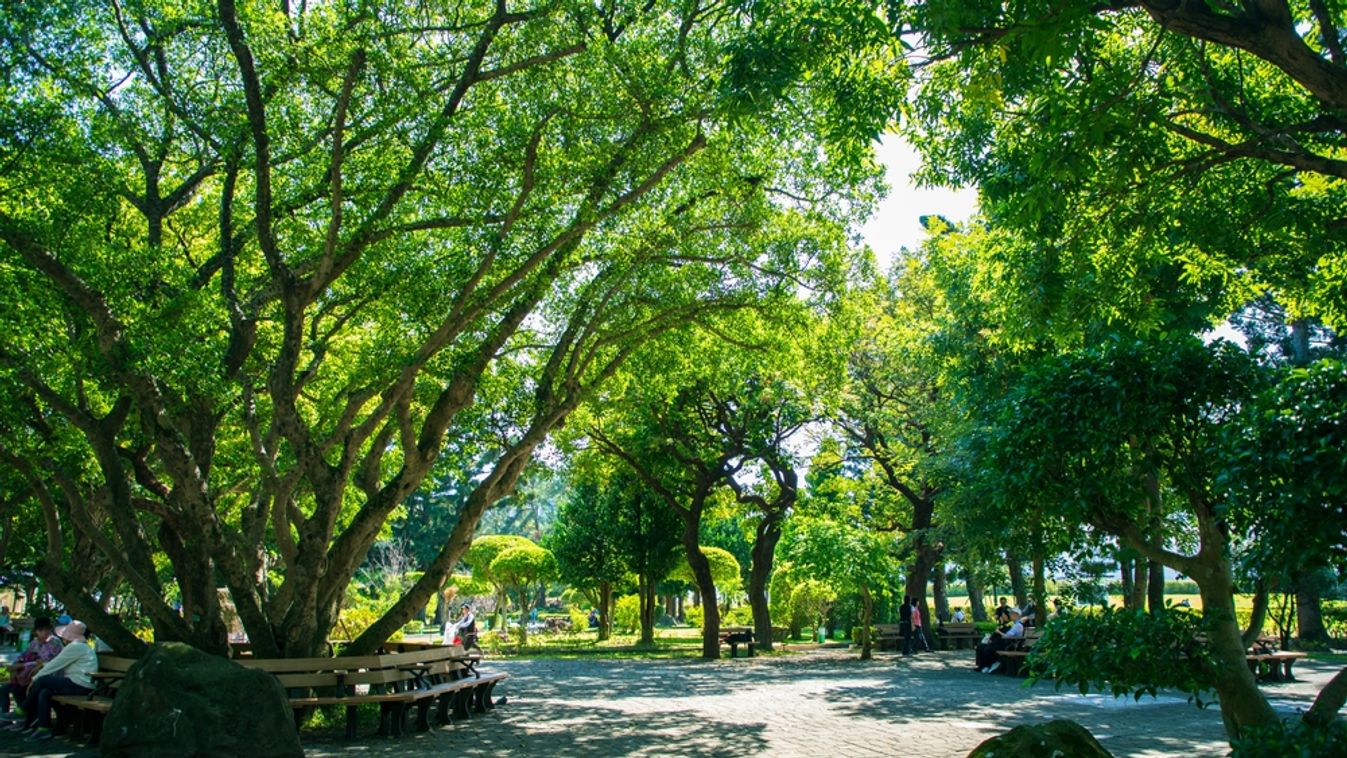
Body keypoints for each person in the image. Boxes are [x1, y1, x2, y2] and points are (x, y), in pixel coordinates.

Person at [3, 620, 96, 741]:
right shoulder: (79, 646)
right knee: (45, 692)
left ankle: (22, 710)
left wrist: (35, 679)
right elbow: (56, 662)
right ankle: (43, 728)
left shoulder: (75, 647)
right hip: (77, 683)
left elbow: (54, 665)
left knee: (43, 681)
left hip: (81, 685)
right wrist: (42, 667)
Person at [0, 618, 62, 715]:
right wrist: (14, 667)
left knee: (19, 688)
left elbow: (44, 662)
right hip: (28, 675)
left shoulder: (54, 642)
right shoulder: (34, 643)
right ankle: (5, 716)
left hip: (45, 676)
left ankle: (25, 716)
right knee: (4, 689)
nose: (44, 633)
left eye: (47, 630)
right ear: (36, 631)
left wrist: (21, 665)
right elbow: (22, 656)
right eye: (41, 630)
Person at [974, 608, 1025, 674]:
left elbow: (1007, 636)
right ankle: (983, 666)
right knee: (981, 646)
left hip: (1010, 645)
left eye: (1012, 614)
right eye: (1010, 614)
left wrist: (999, 632)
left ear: (1017, 615)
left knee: (989, 648)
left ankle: (992, 663)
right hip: (1007, 642)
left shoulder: (1017, 625)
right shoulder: (1014, 624)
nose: (1010, 615)